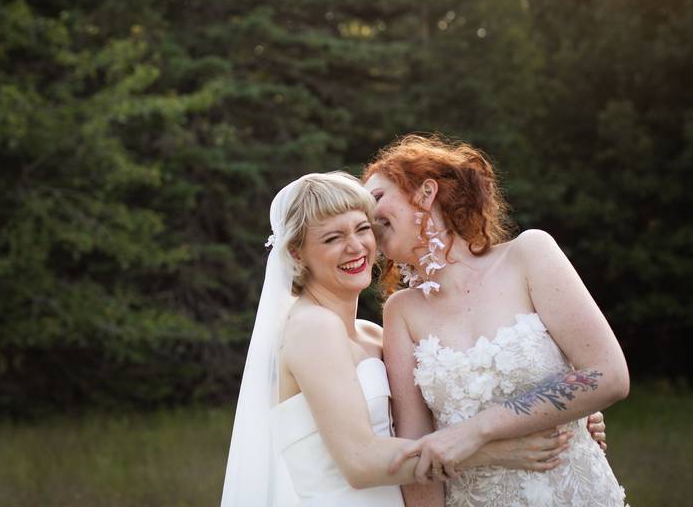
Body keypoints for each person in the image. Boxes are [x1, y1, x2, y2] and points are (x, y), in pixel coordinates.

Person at [221, 172, 603, 507]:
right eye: (333, 238)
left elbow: (442, 403)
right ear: (297, 253)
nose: (355, 247)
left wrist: (572, 413)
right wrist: (493, 451)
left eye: (362, 228)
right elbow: (359, 462)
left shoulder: (372, 334)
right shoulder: (311, 328)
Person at [363, 134, 628, 506]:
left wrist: (477, 431)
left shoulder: (528, 255)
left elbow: (609, 375)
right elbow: (416, 449)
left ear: (425, 192)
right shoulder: (401, 312)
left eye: (375, 198)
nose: (367, 216)